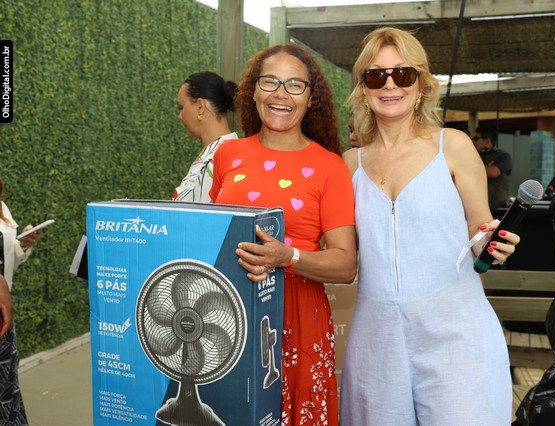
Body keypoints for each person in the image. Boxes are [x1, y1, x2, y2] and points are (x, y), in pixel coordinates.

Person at [340, 27, 519, 425]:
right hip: (376, 340)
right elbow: (340, 253)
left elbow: (479, 230)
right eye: (376, 76)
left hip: (457, 334)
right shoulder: (348, 165)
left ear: (420, 84)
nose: (390, 85)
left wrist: (494, 242)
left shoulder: (452, 145)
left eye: (402, 74)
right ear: (364, 89)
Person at [210, 44, 357, 425]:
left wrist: (287, 257)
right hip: (226, 311)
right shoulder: (227, 155)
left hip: (297, 316)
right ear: (253, 91)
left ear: (311, 99)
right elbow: (211, 236)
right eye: (270, 82)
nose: (281, 94)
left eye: (295, 85)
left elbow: (345, 264)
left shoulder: (330, 167)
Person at [0, 175, 42, 425]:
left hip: (3, 312)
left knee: (6, 386)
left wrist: (23, 245)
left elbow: (6, 258)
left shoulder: (2, 208)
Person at [173, 71, 238, 202]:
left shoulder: (221, 158)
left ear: (200, 106)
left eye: (181, 107)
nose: (180, 116)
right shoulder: (212, 155)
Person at [472, 126, 513, 215]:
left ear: (487, 141)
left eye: (476, 138)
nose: (473, 141)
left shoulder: (503, 156)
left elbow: (493, 172)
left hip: (496, 210)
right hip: (476, 209)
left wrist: (472, 168)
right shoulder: (475, 156)